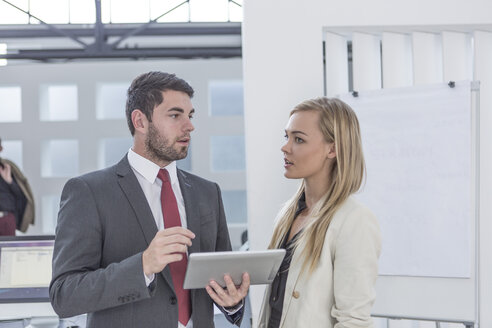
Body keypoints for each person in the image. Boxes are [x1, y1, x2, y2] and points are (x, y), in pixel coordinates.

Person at [50, 71, 250, 328]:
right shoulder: (89, 192)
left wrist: (231, 302)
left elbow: (219, 277)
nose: (189, 126)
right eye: (175, 115)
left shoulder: (207, 192)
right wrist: (143, 266)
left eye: (190, 116)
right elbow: (64, 295)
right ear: (140, 122)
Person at [257, 97, 382, 328]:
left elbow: (354, 322)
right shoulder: (288, 214)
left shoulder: (354, 220)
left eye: (299, 139)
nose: (285, 147)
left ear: (332, 149)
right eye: (287, 137)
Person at [0, 137, 35, 235]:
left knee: (9, 249)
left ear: (1, 148)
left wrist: (9, 181)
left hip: (6, 220)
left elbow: (21, 195)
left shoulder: (8, 168)